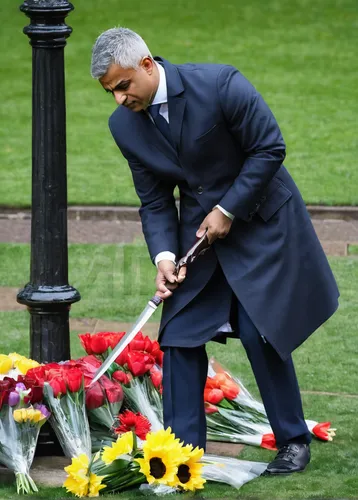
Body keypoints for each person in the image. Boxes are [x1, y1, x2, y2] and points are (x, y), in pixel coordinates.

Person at [91, 27, 339, 475]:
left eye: (123, 85)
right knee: (179, 333)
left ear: (147, 64)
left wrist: (228, 209)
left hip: (262, 221)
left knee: (257, 329)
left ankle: (292, 441)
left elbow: (269, 148)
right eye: (110, 91)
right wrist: (165, 256)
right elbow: (155, 199)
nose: (118, 99)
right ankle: (183, 454)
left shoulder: (221, 84)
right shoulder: (123, 125)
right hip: (197, 237)